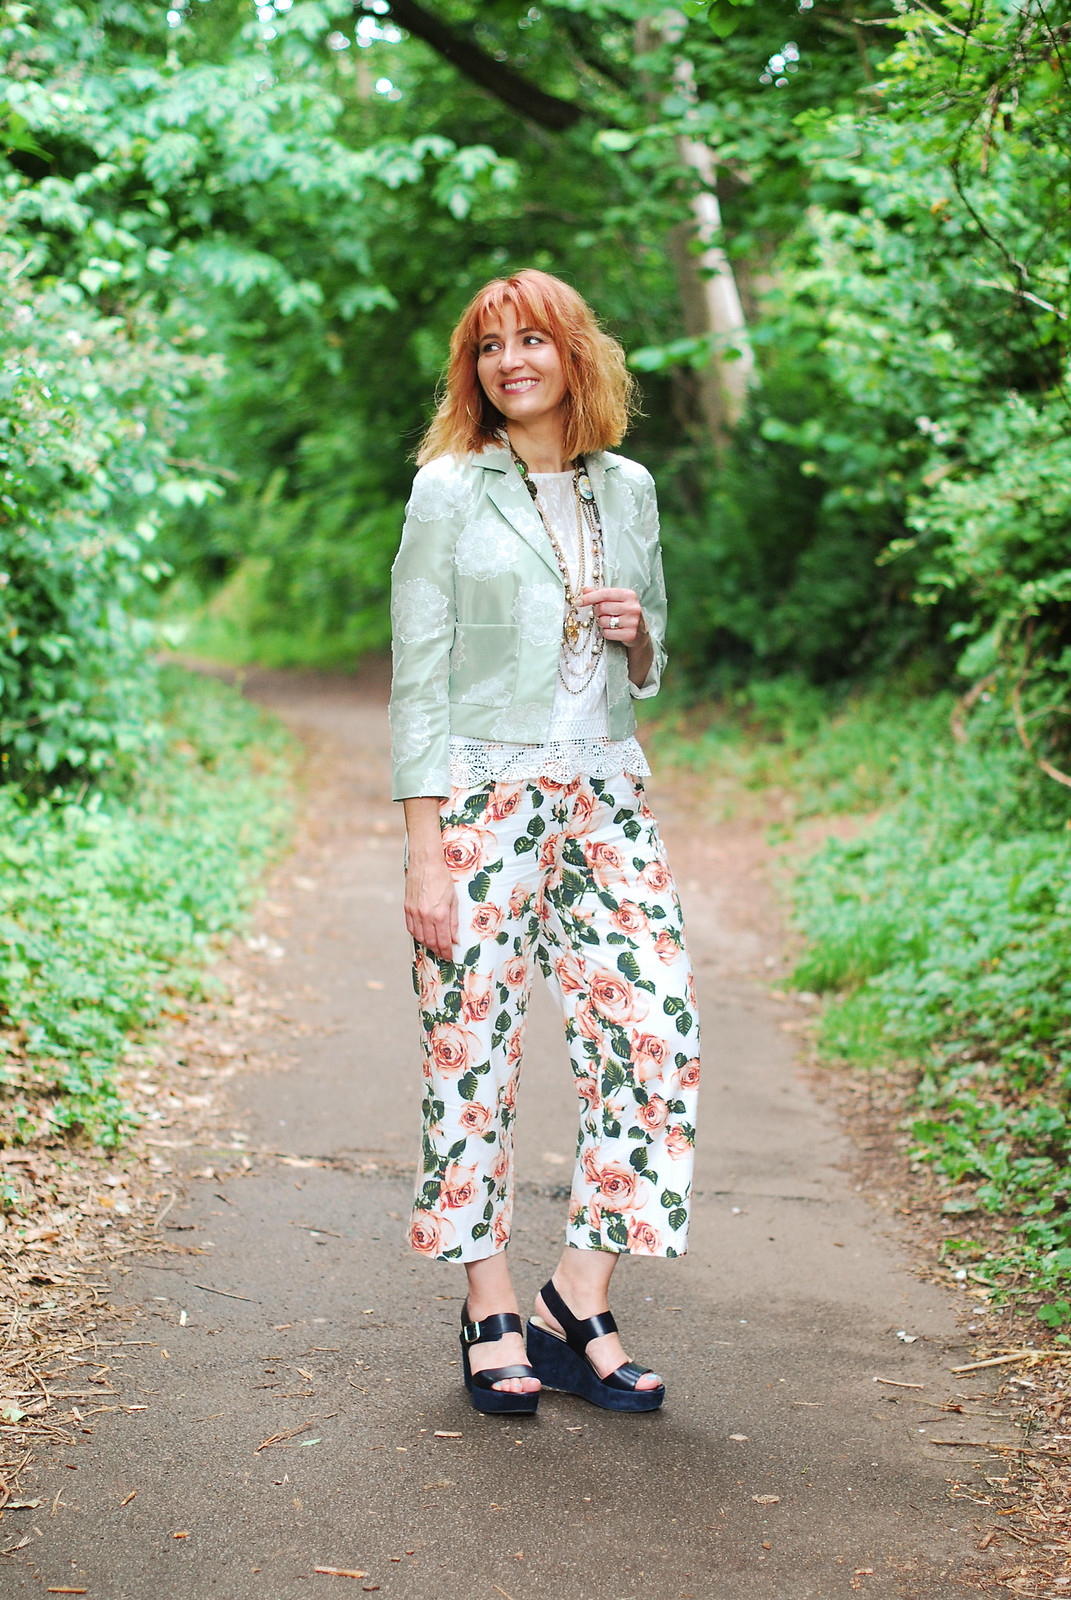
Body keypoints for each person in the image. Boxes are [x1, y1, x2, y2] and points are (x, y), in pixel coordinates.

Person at [389, 269, 700, 1416]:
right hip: (481, 798)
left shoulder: (630, 487)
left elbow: (651, 649)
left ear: (576, 353)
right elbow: (418, 676)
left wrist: (638, 631)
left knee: (656, 1029)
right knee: (472, 1051)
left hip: (605, 795)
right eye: (488, 346)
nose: (509, 360)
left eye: (532, 339)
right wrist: (427, 847)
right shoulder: (447, 492)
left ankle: (580, 1288)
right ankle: (489, 1304)